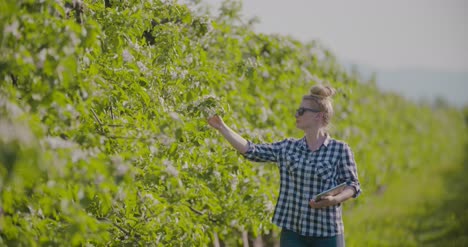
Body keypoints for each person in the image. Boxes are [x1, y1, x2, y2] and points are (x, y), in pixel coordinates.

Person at [207, 85, 361, 247]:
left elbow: (352, 185)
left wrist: (334, 200)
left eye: (302, 111)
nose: (296, 114)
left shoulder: (340, 149)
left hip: (327, 233)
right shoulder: (288, 147)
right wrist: (222, 128)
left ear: (318, 116)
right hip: (293, 232)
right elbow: (251, 150)